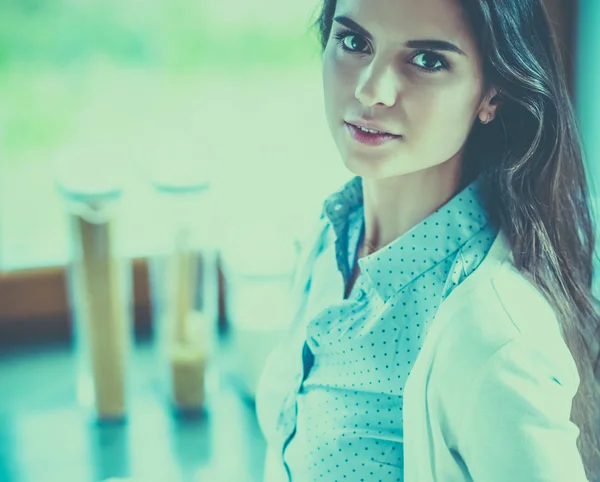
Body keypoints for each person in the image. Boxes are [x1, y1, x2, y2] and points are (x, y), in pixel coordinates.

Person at [255, 0, 600, 480]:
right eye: (354, 42)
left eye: (427, 60)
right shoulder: (334, 233)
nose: (370, 89)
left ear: (491, 94)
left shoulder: (497, 341)